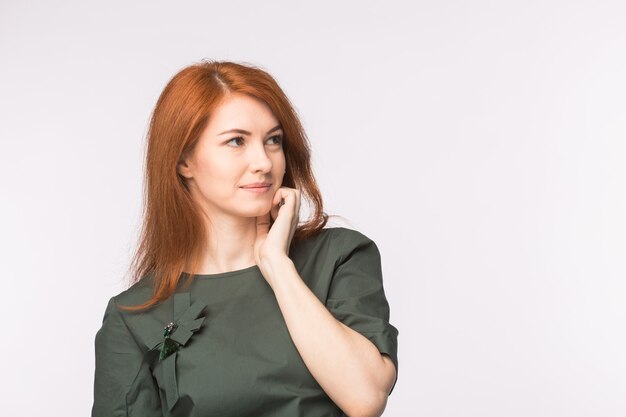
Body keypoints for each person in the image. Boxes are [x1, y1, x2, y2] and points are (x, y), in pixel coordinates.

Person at [91, 60, 399, 417]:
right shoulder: (134, 314)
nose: (263, 162)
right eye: (236, 141)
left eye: (273, 141)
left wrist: (277, 266)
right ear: (183, 161)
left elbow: (366, 398)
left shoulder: (339, 257)